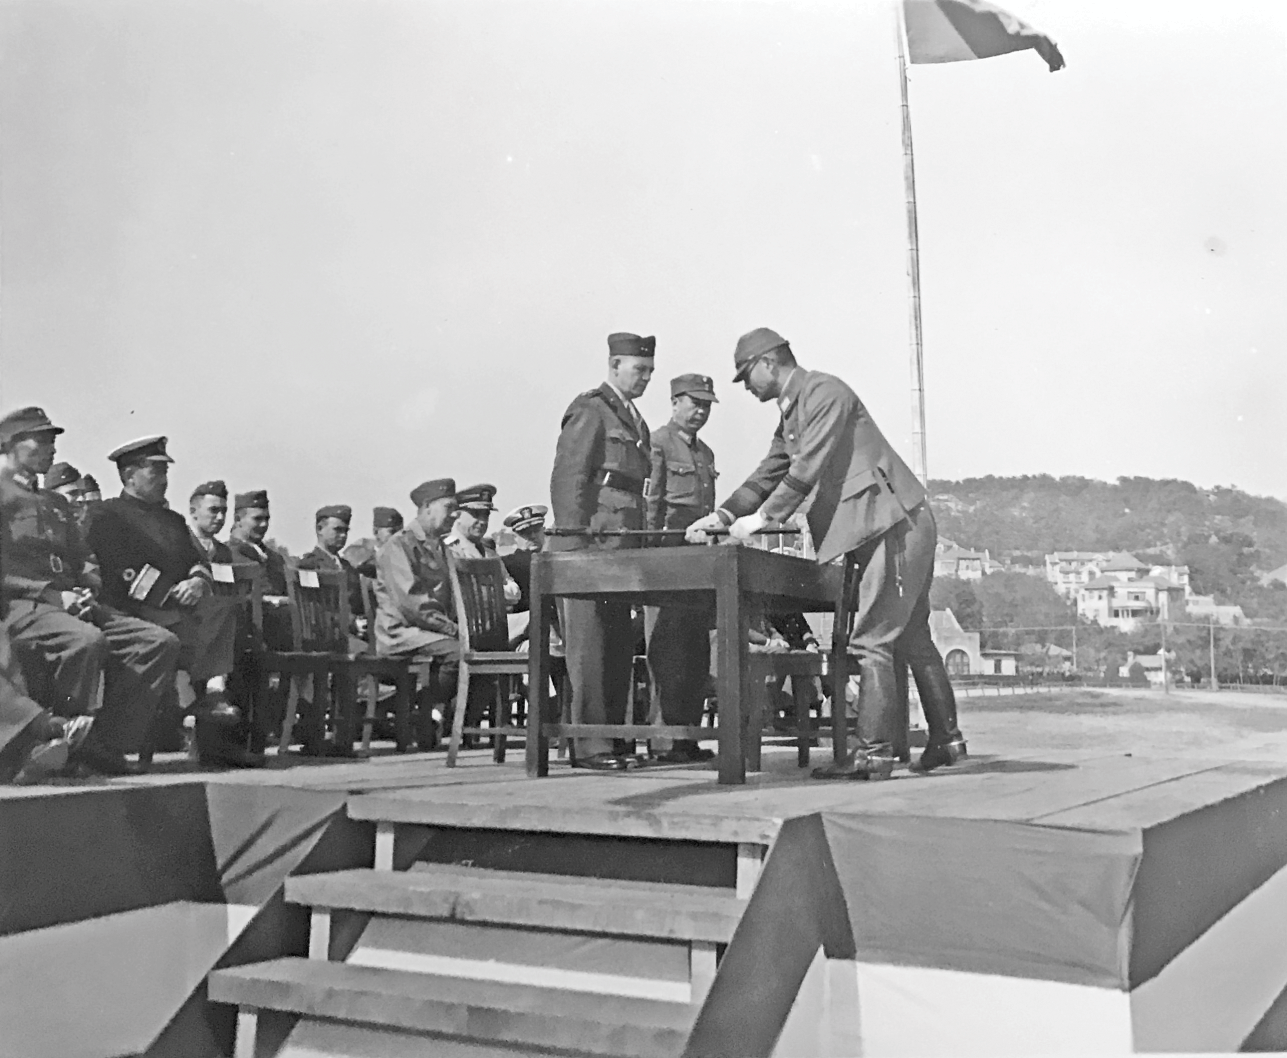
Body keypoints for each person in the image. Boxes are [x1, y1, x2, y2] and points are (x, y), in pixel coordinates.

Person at [687, 328, 967, 780]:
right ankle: (947, 740)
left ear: (768, 363)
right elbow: (769, 471)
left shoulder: (824, 392)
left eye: (747, 376)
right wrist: (723, 514)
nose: (746, 387)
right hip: (887, 524)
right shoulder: (796, 410)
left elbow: (806, 466)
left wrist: (759, 522)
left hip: (889, 523)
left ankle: (872, 753)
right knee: (912, 638)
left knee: (872, 641)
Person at [0, 409, 180, 775]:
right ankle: (59, 744)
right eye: (42, 440)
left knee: (157, 642)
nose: (52, 448)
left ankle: (103, 743)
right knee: (85, 641)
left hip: (72, 604)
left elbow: (84, 557)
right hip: (23, 605)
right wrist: (55, 596)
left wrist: (86, 588)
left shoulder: (56, 503)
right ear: (12, 445)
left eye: (54, 440)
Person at [87, 435, 252, 767]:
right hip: (131, 609)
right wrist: (174, 596)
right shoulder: (107, 514)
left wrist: (198, 581)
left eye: (165, 472)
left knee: (230, 614)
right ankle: (207, 697)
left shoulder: (173, 521)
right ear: (129, 474)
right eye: (155, 472)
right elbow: (124, 572)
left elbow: (195, 561)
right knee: (199, 626)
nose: (163, 480)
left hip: (179, 608)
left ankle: (213, 709)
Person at [549, 332, 654, 771]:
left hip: (621, 548)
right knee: (589, 647)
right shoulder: (591, 410)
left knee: (614, 646)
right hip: (589, 546)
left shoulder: (635, 420)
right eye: (638, 370)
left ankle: (614, 742)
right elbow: (568, 478)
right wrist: (574, 549)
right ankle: (591, 747)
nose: (645, 378)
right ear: (614, 366)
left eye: (649, 371)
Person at [644, 373, 720, 764]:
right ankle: (664, 741)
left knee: (694, 652)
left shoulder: (705, 453)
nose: (700, 411)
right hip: (666, 560)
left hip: (698, 564)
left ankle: (686, 737)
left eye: (706, 404)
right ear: (675, 403)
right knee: (666, 651)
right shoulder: (657, 443)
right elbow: (652, 506)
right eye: (694, 403)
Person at [374, 478, 465, 747]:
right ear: (426, 507)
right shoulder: (398, 546)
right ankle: (427, 714)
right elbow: (412, 603)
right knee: (459, 652)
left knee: (476, 650)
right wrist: (451, 628)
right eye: (449, 507)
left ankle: (431, 718)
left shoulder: (441, 548)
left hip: (428, 632)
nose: (455, 515)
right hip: (400, 633)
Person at [446, 484, 521, 608]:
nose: (482, 522)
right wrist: (499, 591)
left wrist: (489, 591)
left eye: (486, 515)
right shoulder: (449, 550)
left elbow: (516, 592)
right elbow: (464, 595)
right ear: (457, 515)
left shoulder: (490, 554)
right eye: (476, 514)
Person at [298, 504, 365, 624]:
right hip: (326, 635)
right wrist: (350, 623)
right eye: (337, 530)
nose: (343, 535)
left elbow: (359, 606)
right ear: (319, 529)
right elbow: (311, 608)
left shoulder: (348, 567)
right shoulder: (309, 566)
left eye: (345, 531)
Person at [344, 506, 403, 578]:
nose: (398, 536)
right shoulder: (360, 550)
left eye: (401, 532)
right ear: (376, 531)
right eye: (392, 531)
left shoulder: (402, 553)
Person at [188, 480, 233, 563]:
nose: (220, 517)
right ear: (193, 511)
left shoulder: (224, 552)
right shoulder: (176, 543)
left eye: (223, 511)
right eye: (213, 510)